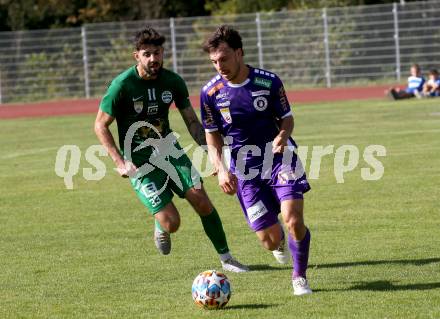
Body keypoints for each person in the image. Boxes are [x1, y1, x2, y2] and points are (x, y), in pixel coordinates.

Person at [94, 26, 248, 273]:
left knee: (203, 202)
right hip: (140, 163)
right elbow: (100, 125)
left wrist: (212, 154)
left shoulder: (173, 81)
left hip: (170, 152)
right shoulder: (121, 85)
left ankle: (227, 259)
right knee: (172, 223)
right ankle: (160, 224)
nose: (153, 59)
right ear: (137, 56)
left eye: (157, 53)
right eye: (146, 54)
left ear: (163, 53)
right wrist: (121, 162)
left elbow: (192, 122)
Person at [200, 25, 313, 295]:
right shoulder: (210, 93)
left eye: (224, 58)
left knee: (293, 219)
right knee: (270, 240)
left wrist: (283, 135)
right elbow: (212, 135)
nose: (219, 66)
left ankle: (299, 277)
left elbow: (287, 117)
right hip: (245, 170)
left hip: (279, 158)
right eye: (214, 61)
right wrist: (221, 170)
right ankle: (280, 244)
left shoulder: (268, 82)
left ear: (239, 53)